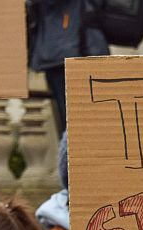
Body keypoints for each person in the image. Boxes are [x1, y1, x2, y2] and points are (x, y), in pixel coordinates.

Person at [26, 0, 109, 134]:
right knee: (74, 118)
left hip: (66, 49)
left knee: (73, 119)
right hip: (73, 50)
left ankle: (75, 152)